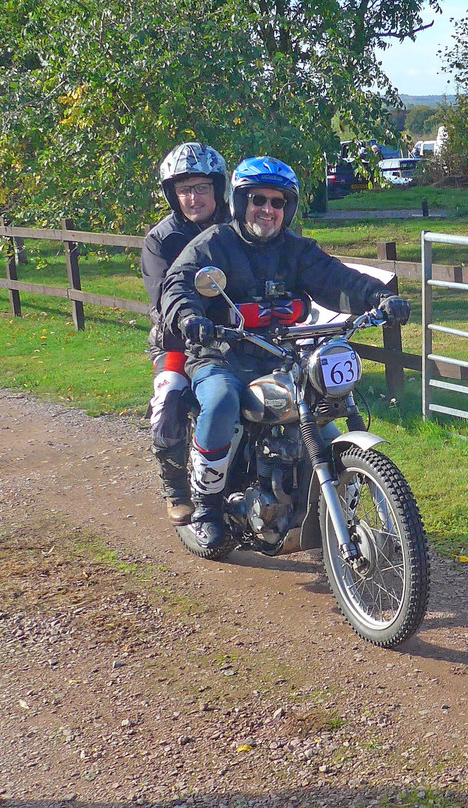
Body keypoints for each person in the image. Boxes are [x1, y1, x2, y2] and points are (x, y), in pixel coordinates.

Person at [159, 157, 410, 549]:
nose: (268, 210)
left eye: (278, 202)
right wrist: (190, 317)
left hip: (282, 355)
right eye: (258, 199)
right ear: (240, 202)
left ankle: (332, 504)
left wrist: (380, 297)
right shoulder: (214, 244)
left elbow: (336, 278)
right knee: (222, 401)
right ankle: (207, 505)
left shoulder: (296, 249)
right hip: (222, 355)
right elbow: (177, 284)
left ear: (287, 208)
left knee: (324, 409)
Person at [141, 142, 231, 526]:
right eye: (184, 190)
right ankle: (175, 486)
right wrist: (192, 320)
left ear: (218, 188)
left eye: (201, 188)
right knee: (168, 400)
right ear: (173, 194)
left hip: (235, 335)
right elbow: (164, 296)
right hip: (177, 339)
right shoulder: (161, 240)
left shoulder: (236, 228)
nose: (193, 198)